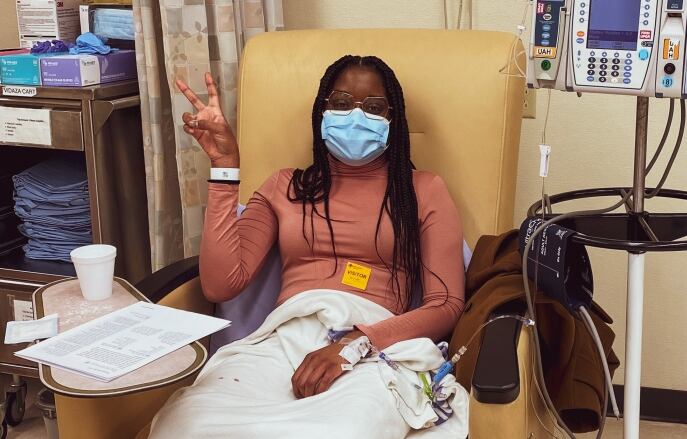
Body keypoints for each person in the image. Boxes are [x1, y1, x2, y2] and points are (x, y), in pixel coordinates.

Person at [148, 55, 467, 438]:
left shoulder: (422, 190)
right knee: (189, 423)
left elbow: (446, 304)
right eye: (342, 102)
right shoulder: (285, 186)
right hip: (283, 341)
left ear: (392, 120)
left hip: (372, 347)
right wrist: (224, 167)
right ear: (322, 111)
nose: (355, 115)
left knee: (342, 431)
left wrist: (353, 345)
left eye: (374, 107)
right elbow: (220, 285)